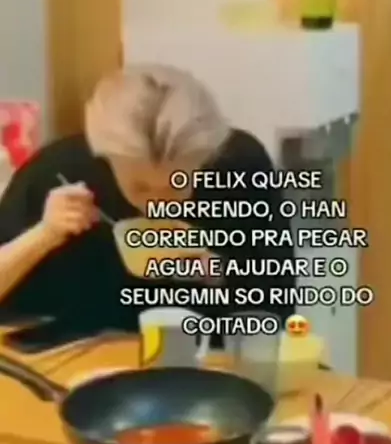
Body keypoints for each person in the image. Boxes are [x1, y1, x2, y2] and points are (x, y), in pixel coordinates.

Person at [0, 66, 294, 340]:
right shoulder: (58, 171)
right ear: (106, 158)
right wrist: (44, 234)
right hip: (72, 354)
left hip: (202, 356)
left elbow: (277, 305)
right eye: (140, 187)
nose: (158, 205)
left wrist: (219, 274)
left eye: (176, 185)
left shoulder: (239, 166)